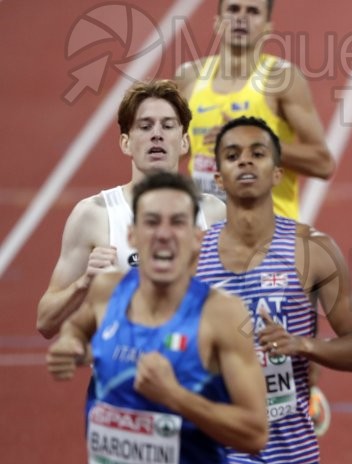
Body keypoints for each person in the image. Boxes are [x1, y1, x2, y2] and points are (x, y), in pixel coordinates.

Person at [46, 172, 268, 464]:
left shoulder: (222, 317)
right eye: (151, 222)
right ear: (133, 233)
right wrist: (72, 343)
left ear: (198, 238)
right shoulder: (106, 292)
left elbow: (255, 432)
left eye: (177, 222)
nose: (163, 234)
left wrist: (176, 397)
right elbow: (76, 323)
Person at [195, 116, 352, 464]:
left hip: (294, 460)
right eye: (232, 155)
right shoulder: (193, 257)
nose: (245, 161)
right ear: (217, 174)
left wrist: (304, 345)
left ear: (278, 172)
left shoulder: (313, 250)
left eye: (257, 153)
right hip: (223, 457)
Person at [37, 80, 226, 339]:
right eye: (145, 126)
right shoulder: (94, 215)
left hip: (191, 375)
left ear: (184, 143)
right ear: (125, 143)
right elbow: (45, 322)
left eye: (168, 126)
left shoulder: (214, 213)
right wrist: (83, 285)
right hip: (119, 377)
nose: (156, 134)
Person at [175, 0, 334, 221]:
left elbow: (323, 163)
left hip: (271, 234)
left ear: (268, 26)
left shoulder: (282, 80)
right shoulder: (188, 78)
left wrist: (256, 142)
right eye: (233, 9)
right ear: (218, 22)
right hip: (209, 235)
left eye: (252, 11)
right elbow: (174, 150)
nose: (241, 17)